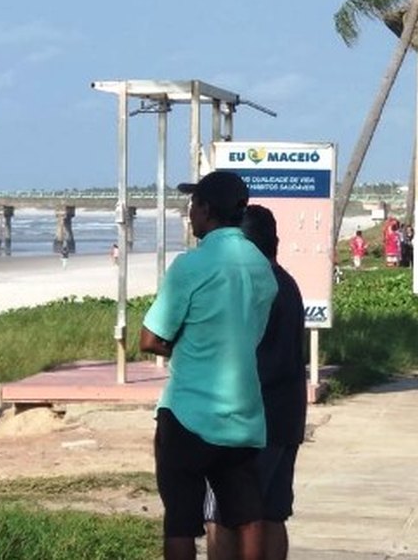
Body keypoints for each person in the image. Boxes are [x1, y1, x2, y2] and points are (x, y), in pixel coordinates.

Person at [139, 170, 278, 560]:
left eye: (192, 205)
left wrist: (185, 346)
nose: (189, 214)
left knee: (181, 519)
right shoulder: (261, 267)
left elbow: (150, 338)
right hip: (244, 413)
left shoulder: (191, 266)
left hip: (189, 412)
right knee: (247, 514)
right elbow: (250, 334)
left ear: (205, 209)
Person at [205, 205, 306, 560]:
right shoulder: (286, 282)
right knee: (272, 513)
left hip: (249, 419)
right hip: (286, 416)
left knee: (223, 516)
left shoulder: (252, 288)